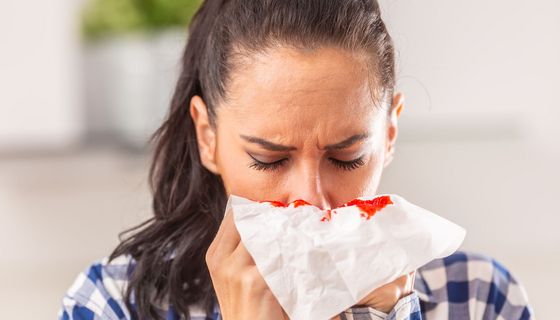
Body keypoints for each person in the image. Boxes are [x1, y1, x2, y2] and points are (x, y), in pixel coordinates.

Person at [59, 0, 534, 319]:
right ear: (208, 138)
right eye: (269, 160)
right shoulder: (112, 304)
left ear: (389, 131)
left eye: (346, 158)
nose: (311, 199)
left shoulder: (479, 297)